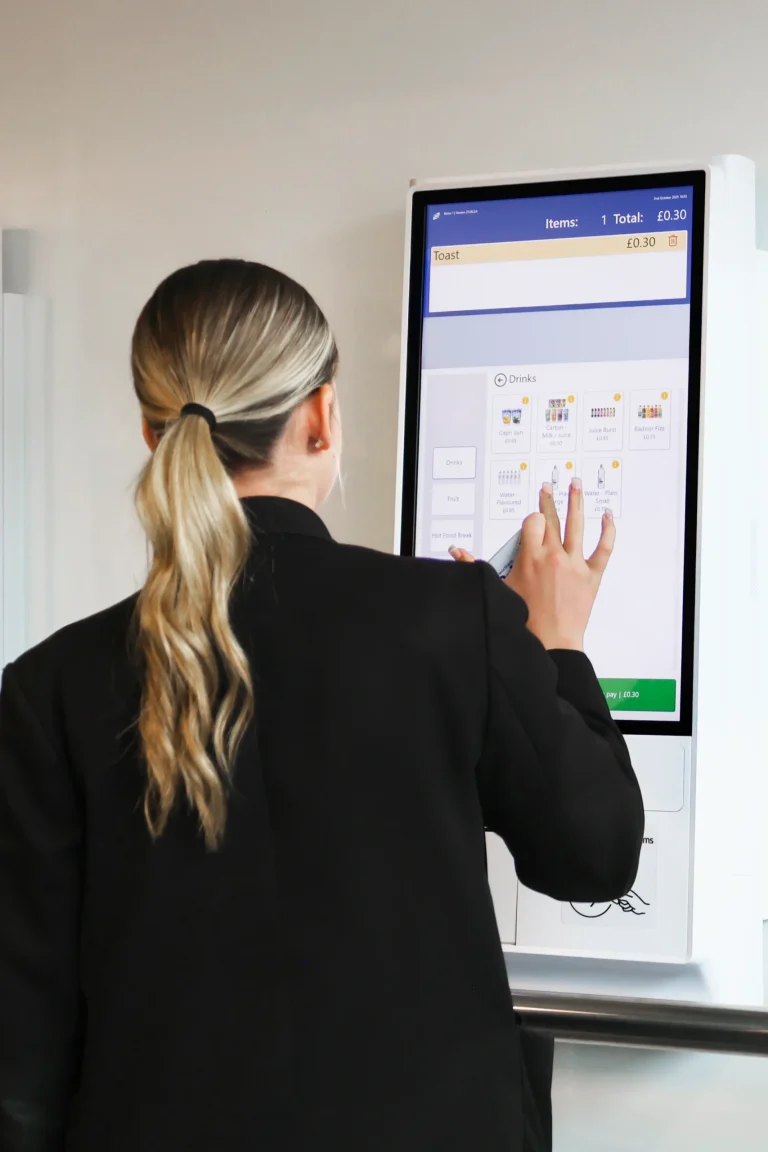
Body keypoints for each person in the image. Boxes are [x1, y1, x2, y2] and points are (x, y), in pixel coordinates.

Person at [0, 259, 643, 1152]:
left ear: (153, 431)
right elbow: (596, 856)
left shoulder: (50, 683)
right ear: (321, 416)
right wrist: (557, 644)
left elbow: (23, 1031)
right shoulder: (457, 621)